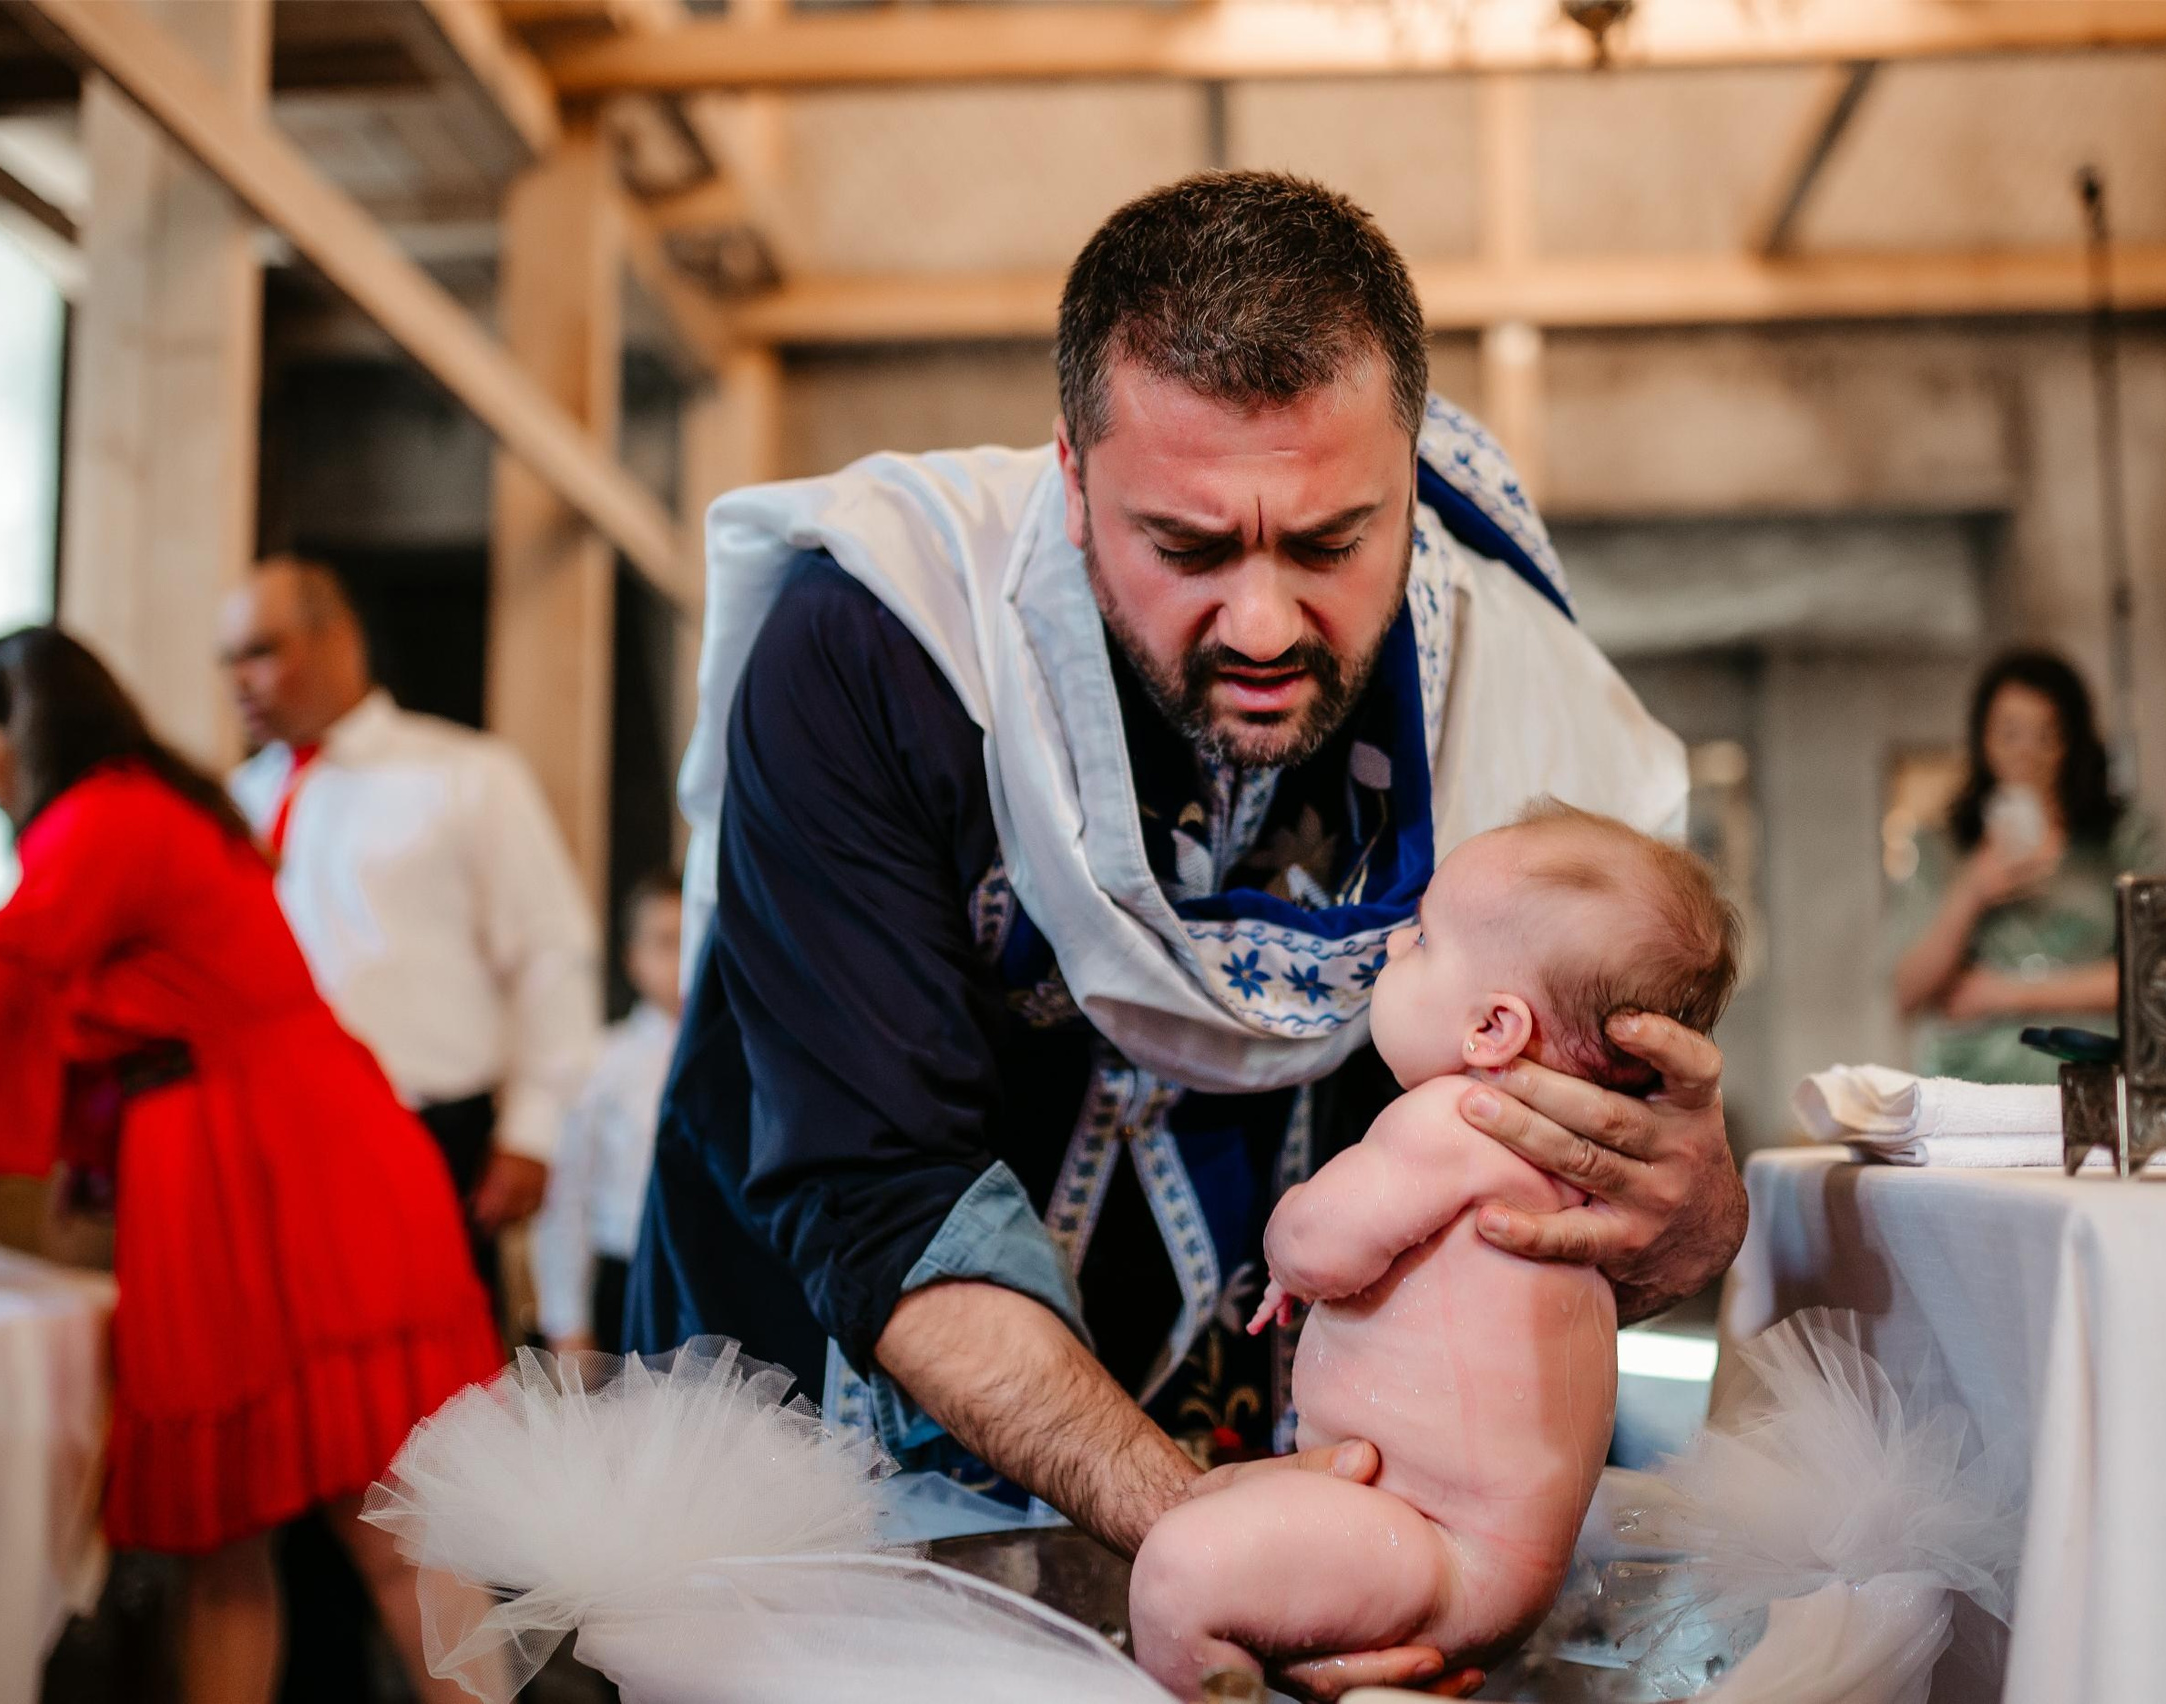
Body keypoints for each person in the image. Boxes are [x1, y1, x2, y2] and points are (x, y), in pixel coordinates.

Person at [635, 171, 1747, 1698]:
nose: (1269, 625)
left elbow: (1570, 1177)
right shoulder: (878, 644)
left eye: (1334, 540)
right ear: (1071, 480)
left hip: (1301, 1453)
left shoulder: (1514, 684)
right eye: (1191, 548)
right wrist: (1206, 1535)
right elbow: (879, 1188)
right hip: (866, 1424)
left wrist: (1676, 1216)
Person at [0, 627, 499, 1704]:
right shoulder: (148, 804)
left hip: (279, 1167)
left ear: (29, 726)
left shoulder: (101, 817)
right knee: (229, 1544)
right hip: (250, 1156)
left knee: (385, 1520)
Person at [1132, 803, 1738, 1696]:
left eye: (1419, 939)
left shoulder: (1454, 1123)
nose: (1386, 949)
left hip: (1424, 1539)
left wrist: (1287, 1243)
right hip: (1504, 1564)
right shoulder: (1591, 1172)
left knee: (1176, 1569)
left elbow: (1320, 1246)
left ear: (1491, 1030)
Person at [219, 558, 599, 1311]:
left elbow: (549, 952)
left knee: (429, 1403)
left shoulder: (466, 775)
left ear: (338, 641)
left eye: (262, 651)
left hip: (427, 1136)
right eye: (228, 660)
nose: (239, 681)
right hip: (267, 1146)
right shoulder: (237, 802)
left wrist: (533, 1128)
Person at [1890, 648, 2161, 1083]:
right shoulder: (1943, 844)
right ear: (1983, 739)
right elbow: (1906, 991)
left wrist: (2003, 993)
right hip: (1973, 1075)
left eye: (2046, 735)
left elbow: (2156, 975)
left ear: (2072, 742)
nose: (2026, 753)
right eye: (2010, 733)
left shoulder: (2121, 839)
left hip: (2092, 1070)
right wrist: (1971, 892)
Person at [531, 870, 684, 1353]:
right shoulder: (603, 1063)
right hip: (627, 1274)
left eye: (695, 937)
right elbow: (567, 1197)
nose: (684, 958)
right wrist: (567, 1321)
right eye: (666, 941)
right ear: (632, 959)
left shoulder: (746, 1059)